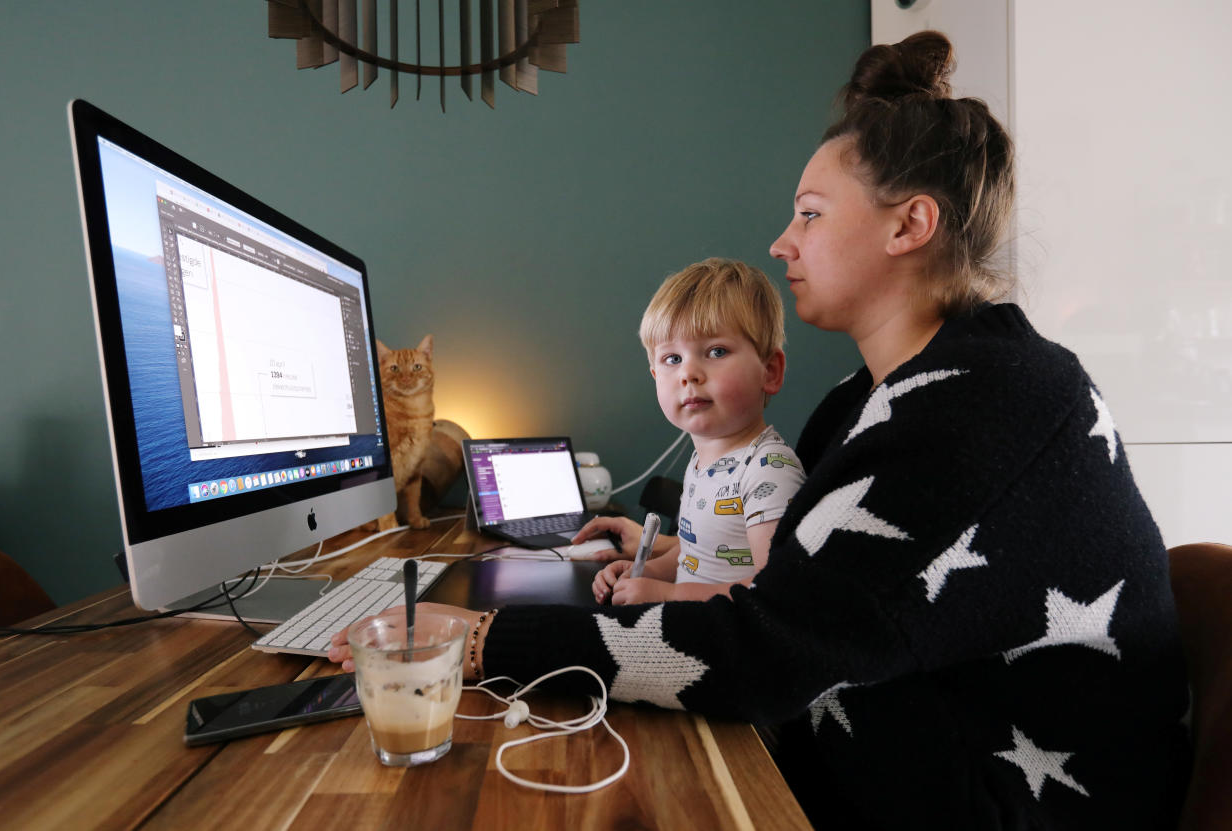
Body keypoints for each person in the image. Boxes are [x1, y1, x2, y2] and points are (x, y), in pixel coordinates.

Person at [332, 31, 1191, 828]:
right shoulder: (877, 396)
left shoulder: (988, 397)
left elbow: (765, 647)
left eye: (811, 213)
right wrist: (672, 562)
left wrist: (484, 637)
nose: (783, 243)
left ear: (909, 224)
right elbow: (795, 593)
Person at [584, 258, 805, 605]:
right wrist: (647, 572)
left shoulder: (769, 471)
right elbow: (695, 554)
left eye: (716, 351)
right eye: (672, 359)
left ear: (770, 372)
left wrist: (669, 594)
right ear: (656, 376)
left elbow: (774, 593)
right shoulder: (704, 463)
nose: (689, 374)